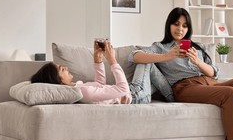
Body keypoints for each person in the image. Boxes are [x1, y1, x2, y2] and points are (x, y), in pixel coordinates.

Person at [130, 7, 233, 140]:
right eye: (176, 24)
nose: (180, 29)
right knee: (232, 94)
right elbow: (134, 56)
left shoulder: (197, 48)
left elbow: (214, 72)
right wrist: (168, 56)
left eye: (185, 26)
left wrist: (197, 62)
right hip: (185, 87)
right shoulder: (160, 47)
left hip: (208, 82)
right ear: (169, 25)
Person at [31, 40, 174, 104]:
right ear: (58, 80)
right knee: (144, 62)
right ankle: (174, 97)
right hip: (135, 95)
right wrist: (112, 60)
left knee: (152, 70)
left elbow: (100, 84)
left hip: (133, 92)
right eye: (62, 69)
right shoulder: (83, 93)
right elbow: (122, 89)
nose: (66, 68)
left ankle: (172, 92)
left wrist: (97, 59)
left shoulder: (79, 87)